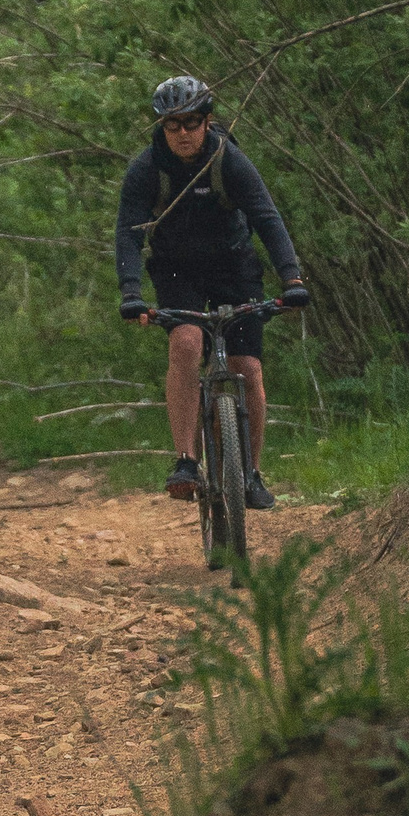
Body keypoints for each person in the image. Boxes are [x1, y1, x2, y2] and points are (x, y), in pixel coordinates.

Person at [115, 77, 311, 510]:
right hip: (176, 269)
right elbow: (128, 233)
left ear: (207, 121)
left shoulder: (229, 161)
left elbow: (266, 218)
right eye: (172, 126)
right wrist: (131, 292)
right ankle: (186, 460)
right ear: (162, 128)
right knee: (186, 342)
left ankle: (252, 473)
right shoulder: (146, 169)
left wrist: (292, 279)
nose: (182, 133)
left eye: (191, 123)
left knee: (247, 367)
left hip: (234, 266)